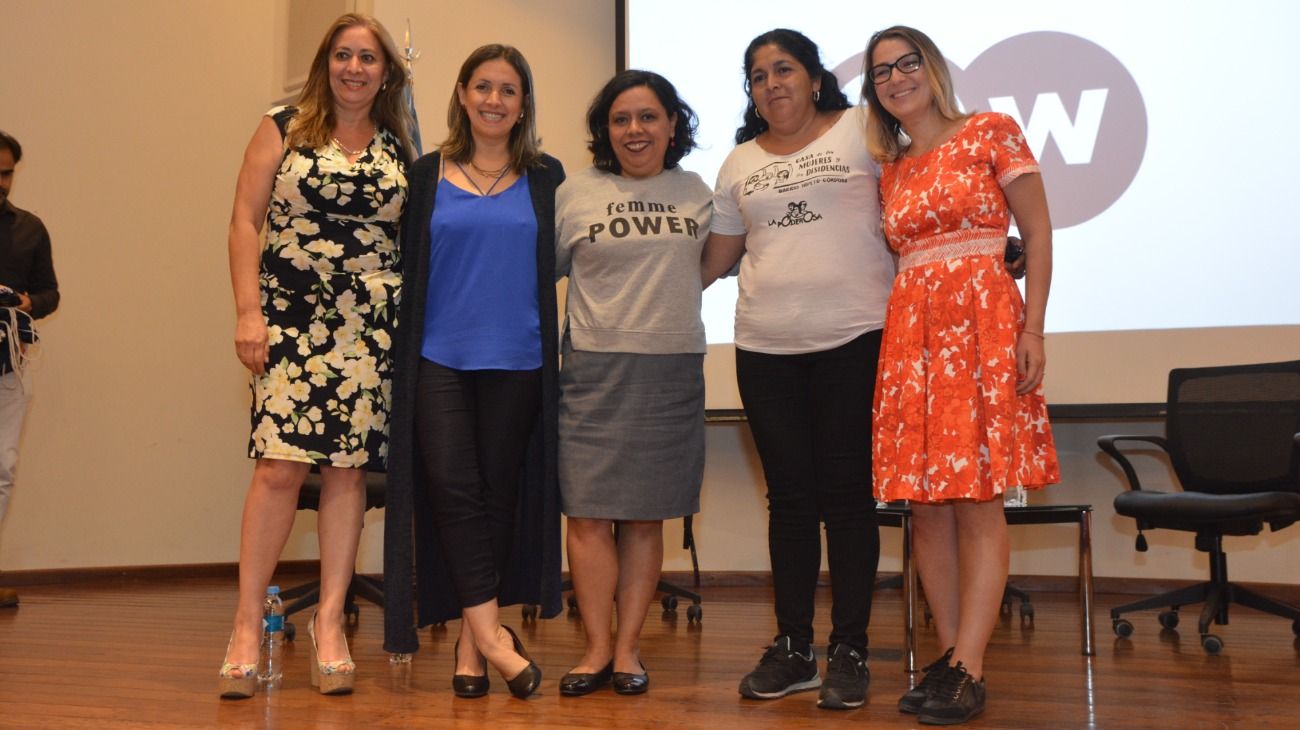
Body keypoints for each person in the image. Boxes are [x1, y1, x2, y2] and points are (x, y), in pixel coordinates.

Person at [863, 25, 1059, 725]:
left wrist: (1032, 327)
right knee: (926, 509)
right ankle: (950, 661)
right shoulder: (889, 168)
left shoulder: (992, 131)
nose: (895, 78)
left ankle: (972, 663)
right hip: (912, 338)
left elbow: (1035, 233)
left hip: (984, 328)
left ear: (933, 67)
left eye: (906, 62)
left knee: (978, 499)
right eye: (881, 71)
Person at [700, 28, 896, 711]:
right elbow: (712, 262)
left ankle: (849, 649)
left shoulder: (865, 130)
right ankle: (793, 648)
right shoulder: (737, 163)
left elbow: (921, 197)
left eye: (784, 69)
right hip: (765, 349)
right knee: (788, 500)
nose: (771, 83)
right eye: (757, 76)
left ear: (815, 78)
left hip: (854, 339)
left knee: (845, 496)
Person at [220, 13, 413, 699]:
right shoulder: (283, 126)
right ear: (325, 63)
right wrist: (249, 310)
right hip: (291, 324)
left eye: (367, 57)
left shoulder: (400, 142)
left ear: (386, 71)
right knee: (277, 467)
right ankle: (246, 625)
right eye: (342, 55)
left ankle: (330, 624)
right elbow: (245, 218)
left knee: (347, 473)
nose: (354, 68)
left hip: (371, 331)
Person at [381, 44, 563, 700]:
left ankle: (470, 636)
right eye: (482, 86)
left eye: (507, 90)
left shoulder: (547, 178)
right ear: (461, 94)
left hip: (520, 359)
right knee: (453, 490)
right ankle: (494, 638)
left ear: (522, 104)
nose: (493, 99)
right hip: (436, 358)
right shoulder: (425, 175)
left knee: (498, 496)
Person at [554, 70, 709, 697]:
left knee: (646, 518)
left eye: (648, 117)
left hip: (670, 371)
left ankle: (628, 649)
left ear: (673, 125)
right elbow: (543, 274)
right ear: (605, 130)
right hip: (593, 370)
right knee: (587, 514)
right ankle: (593, 649)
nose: (635, 130)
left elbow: (714, 267)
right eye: (621, 120)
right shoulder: (575, 193)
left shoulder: (700, 192)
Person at [0, 129, 60, 610]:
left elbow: (50, 294)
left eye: (7, 174)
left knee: (2, 470)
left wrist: (24, 302)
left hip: (10, 366)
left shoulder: (30, 228)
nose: (1, 183)